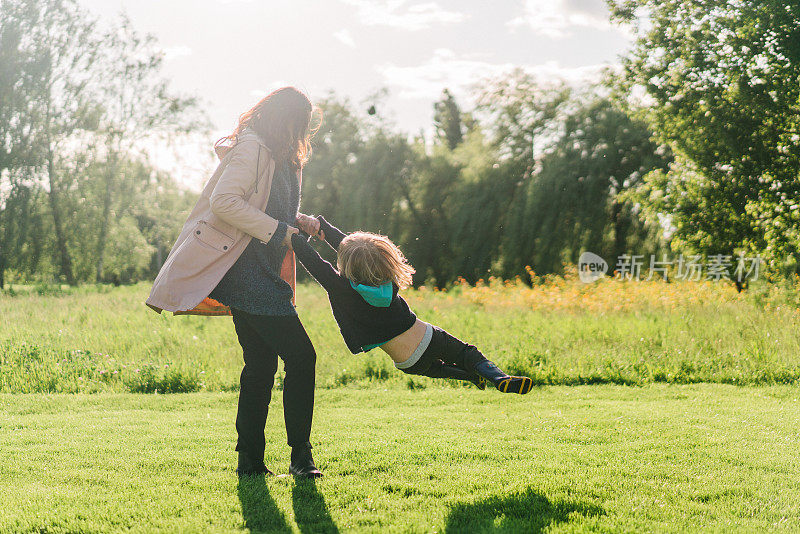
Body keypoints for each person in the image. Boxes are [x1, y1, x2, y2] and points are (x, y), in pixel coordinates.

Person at [146, 87, 323, 478]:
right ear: (285, 119)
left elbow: (268, 206)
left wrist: (300, 221)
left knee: (260, 365)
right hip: (244, 273)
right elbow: (226, 201)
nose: (302, 134)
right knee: (301, 357)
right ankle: (300, 457)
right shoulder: (253, 148)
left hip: (262, 271)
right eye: (299, 124)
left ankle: (250, 462)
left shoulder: (282, 157)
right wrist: (282, 232)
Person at [291, 216, 534, 394]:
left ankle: (470, 377)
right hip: (427, 338)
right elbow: (362, 253)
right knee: (465, 353)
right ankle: (497, 377)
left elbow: (319, 264)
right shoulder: (386, 279)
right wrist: (325, 228)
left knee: (437, 369)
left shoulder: (343, 290)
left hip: (407, 362)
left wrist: (294, 237)